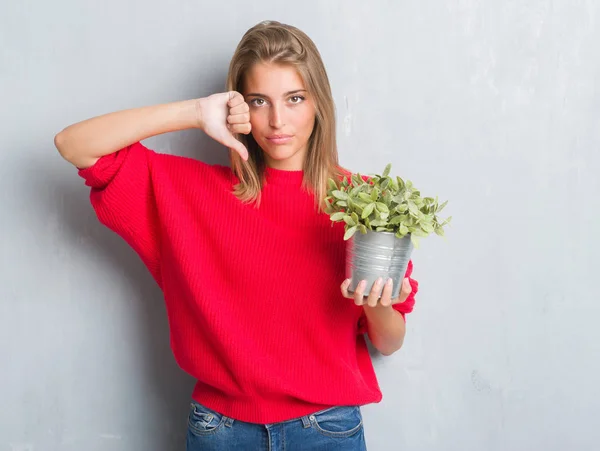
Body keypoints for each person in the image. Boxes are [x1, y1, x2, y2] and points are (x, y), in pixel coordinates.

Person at [54, 20, 418, 451]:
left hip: (327, 430)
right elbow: (74, 144)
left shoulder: (365, 202)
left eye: (295, 98)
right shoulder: (189, 193)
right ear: (239, 107)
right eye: (259, 101)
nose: (277, 120)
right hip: (220, 431)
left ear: (319, 103)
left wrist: (375, 306)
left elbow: (390, 342)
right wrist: (194, 112)